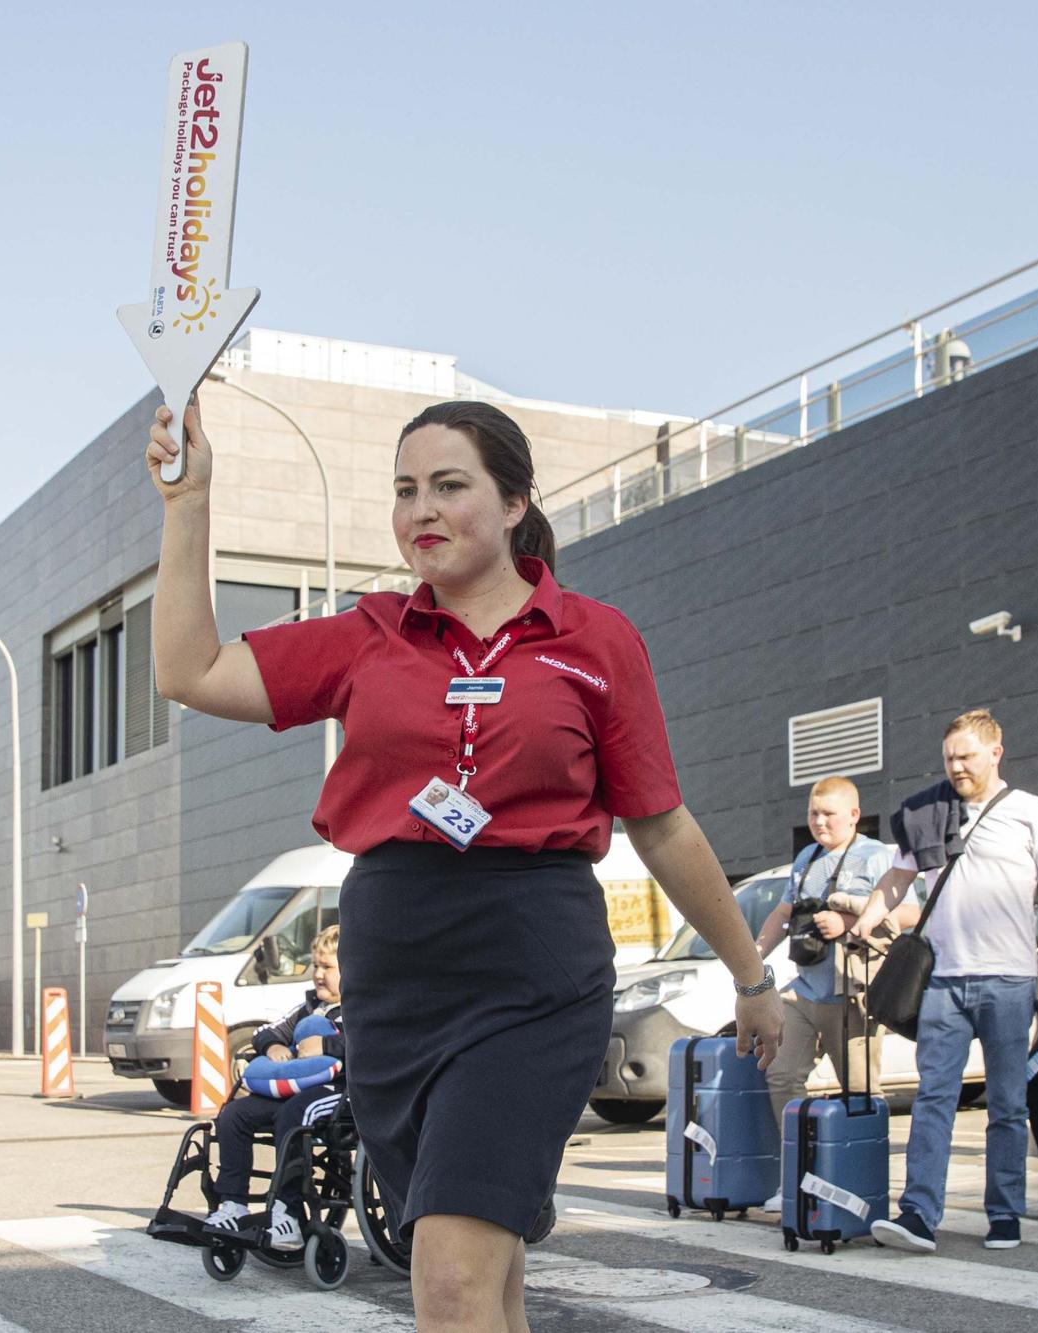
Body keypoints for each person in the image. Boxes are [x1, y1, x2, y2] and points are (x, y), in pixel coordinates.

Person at [146, 397, 783, 1333]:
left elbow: (664, 826)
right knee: (486, 1277)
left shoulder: (596, 641)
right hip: (395, 979)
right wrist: (188, 502)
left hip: (533, 971)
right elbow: (188, 670)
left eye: (450, 486)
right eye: (405, 491)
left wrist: (751, 976)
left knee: (447, 1276)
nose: (421, 512)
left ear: (517, 500)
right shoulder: (369, 635)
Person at [850, 710, 1038, 1254]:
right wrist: (867, 917)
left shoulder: (1029, 812)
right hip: (944, 981)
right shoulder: (930, 812)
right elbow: (897, 877)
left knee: (1007, 1104)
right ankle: (918, 1214)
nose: (956, 767)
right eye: (949, 757)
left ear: (995, 753)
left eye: (967, 757)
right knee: (934, 1097)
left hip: (1009, 980)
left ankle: (1004, 1215)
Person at [750, 776, 909, 1209]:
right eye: (813, 814)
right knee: (781, 1075)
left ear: (854, 815)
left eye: (829, 815)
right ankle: (796, 1179)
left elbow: (912, 911)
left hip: (853, 992)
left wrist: (851, 920)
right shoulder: (807, 857)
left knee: (859, 1092)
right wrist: (752, 957)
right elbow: (783, 914)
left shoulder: (879, 857)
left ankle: (867, 1185)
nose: (820, 822)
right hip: (805, 989)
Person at [206, 925, 346, 1249]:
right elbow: (265, 1032)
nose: (318, 974)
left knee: (293, 1115)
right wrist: (271, 1048)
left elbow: (372, 1045)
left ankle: (288, 1213)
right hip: (299, 1090)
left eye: (327, 967)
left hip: (342, 1094)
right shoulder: (308, 1008)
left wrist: (326, 1045)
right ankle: (233, 1205)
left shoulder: (360, 1008)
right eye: (315, 965)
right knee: (235, 1114)